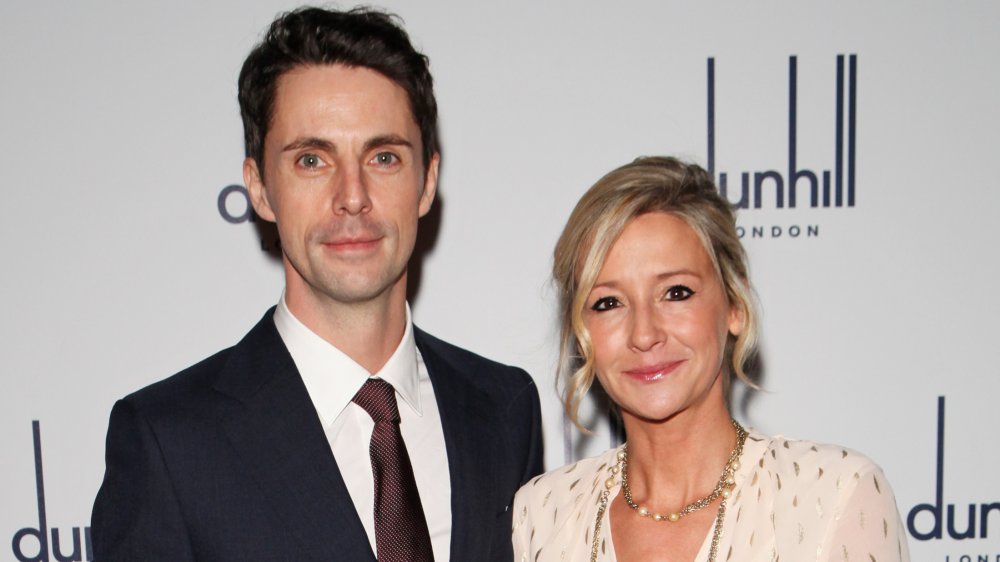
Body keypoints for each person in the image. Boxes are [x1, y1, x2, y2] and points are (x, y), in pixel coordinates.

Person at [91, 7, 543, 562]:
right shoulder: (170, 442)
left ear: (426, 182)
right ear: (259, 188)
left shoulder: (503, 410)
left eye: (383, 157)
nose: (352, 195)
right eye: (312, 159)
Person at [512, 157, 908, 561]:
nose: (644, 334)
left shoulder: (833, 498)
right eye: (608, 302)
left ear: (734, 304)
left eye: (676, 292)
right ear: (582, 331)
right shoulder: (543, 515)